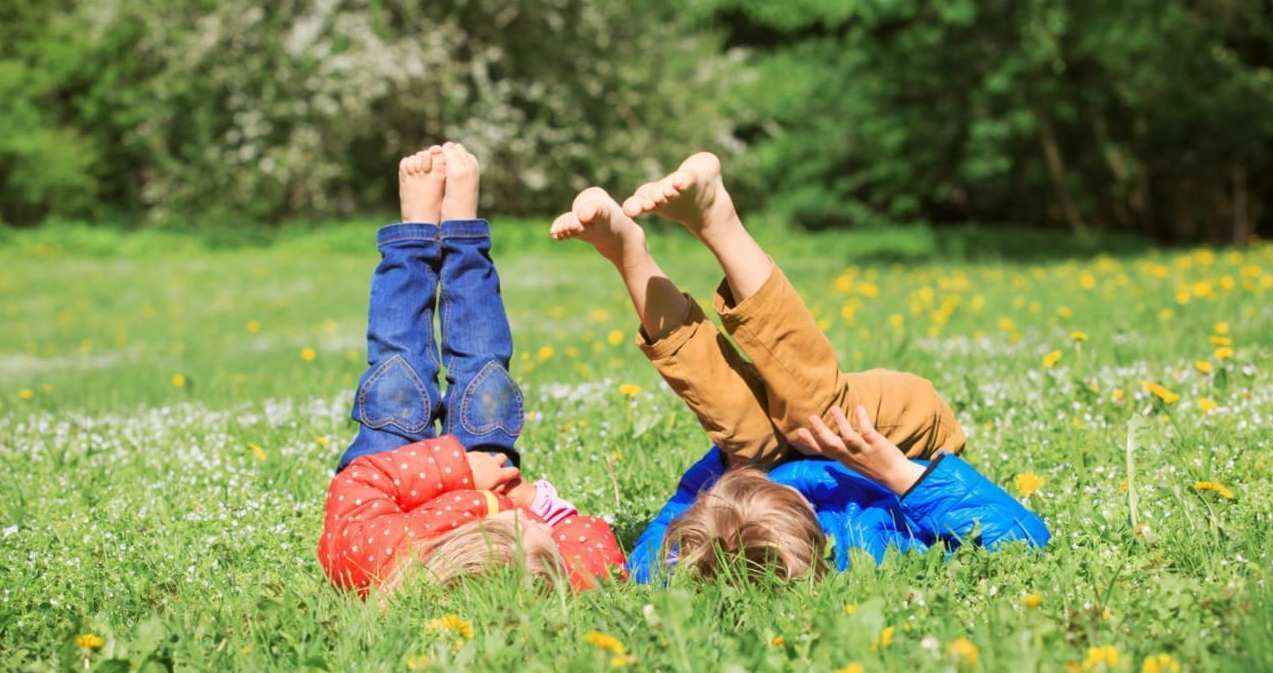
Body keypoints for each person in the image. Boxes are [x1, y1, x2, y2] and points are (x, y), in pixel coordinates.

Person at [550, 151, 1048, 581]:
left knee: (744, 435)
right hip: (901, 437)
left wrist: (734, 471)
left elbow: (647, 566)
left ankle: (626, 252)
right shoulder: (867, 549)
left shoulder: (713, 539)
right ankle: (717, 218)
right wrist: (896, 472)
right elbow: (1023, 541)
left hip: (762, 466)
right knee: (817, 411)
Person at [319, 143, 624, 602]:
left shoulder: (373, 561)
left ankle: (415, 236)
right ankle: (463, 236)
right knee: (486, 382)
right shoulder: (534, 567)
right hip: (493, 483)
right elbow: (601, 559)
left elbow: (354, 492)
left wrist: (459, 469)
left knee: (396, 373)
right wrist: (534, 506)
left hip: (392, 476)